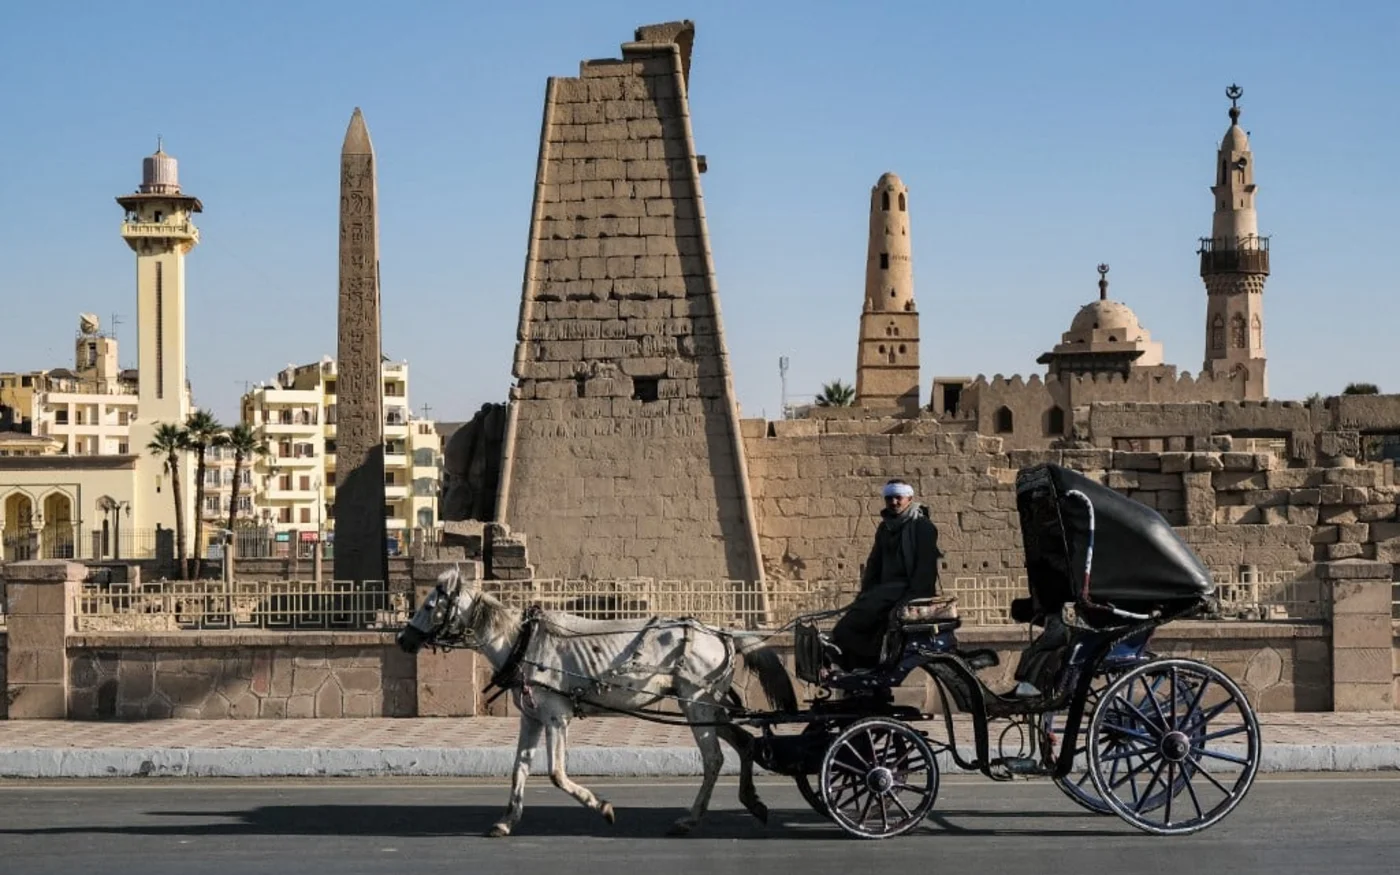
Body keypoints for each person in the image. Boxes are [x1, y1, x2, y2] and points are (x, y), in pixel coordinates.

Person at [828, 479, 942, 671]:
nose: (894, 502)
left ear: (909, 498)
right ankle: (861, 672)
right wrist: (865, 594)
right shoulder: (885, 527)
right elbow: (874, 564)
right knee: (851, 626)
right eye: (890, 498)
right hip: (884, 592)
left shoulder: (922, 527)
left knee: (850, 628)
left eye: (899, 497)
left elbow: (925, 570)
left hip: (905, 591)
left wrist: (908, 601)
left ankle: (866, 670)